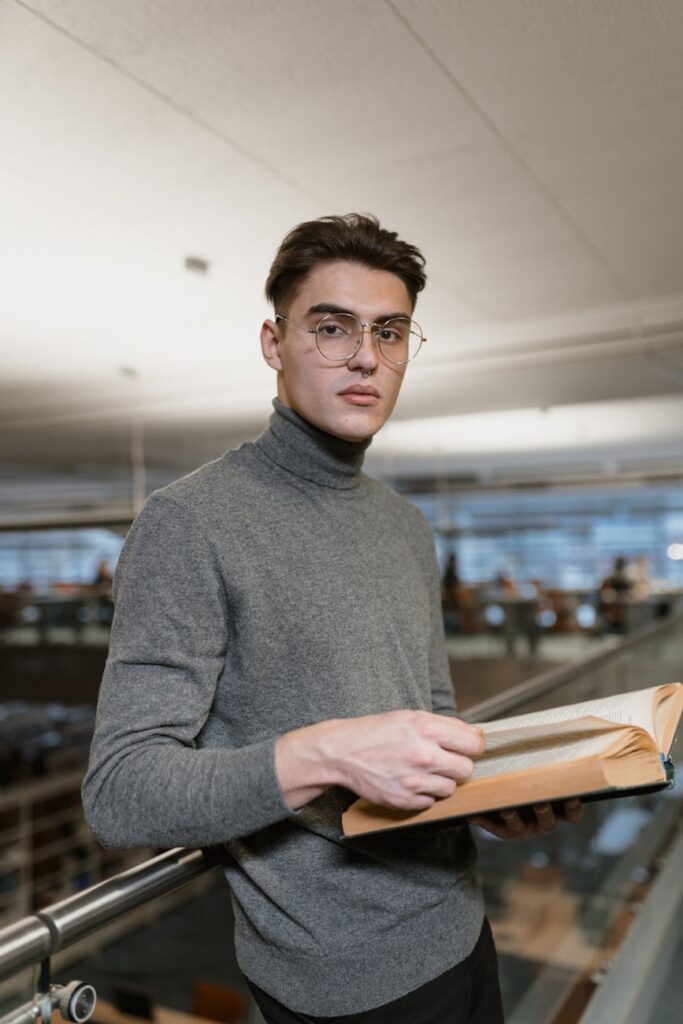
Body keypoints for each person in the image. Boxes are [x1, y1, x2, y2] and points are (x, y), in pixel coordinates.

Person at [82, 214, 581, 1024]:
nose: (364, 357)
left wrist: (494, 795)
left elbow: (431, 718)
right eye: (330, 327)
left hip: (461, 926)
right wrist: (328, 752)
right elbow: (122, 793)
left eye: (389, 332)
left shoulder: (405, 527)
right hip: (337, 983)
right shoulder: (190, 523)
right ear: (273, 344)